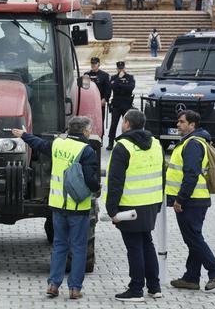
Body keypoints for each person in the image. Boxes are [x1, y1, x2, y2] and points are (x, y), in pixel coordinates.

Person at [12, 117, 99, 299]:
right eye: (89, 129)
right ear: (84, 131)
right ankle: (75, 289)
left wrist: (24, 135)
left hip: (58, 206)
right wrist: (97, 187)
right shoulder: (87, 150)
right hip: (78, 208)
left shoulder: (58, 144)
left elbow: (40, 144)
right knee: (78, 248)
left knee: (59, 245)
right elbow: (91, 180)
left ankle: (53, 285)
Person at [105, 109, 163, 302]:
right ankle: (155, 287)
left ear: (127, 124)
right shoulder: (156, 143)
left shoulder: (122, 146)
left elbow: (115, 181)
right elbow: (161, 174)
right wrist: (159, 203)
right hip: (151, 203)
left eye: (123, 121)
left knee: (134, 247)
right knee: (147, 243)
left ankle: (136, 288)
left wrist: (111, 209)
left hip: (130, 206)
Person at [165, 110, 215, 291]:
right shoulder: (193, 142)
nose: (178, 125)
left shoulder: (192, 144)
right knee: (194, 239)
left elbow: (191, 175)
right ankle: (191, 278)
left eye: (182, 122)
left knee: (193, 239)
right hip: (196, 200)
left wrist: (180, 199)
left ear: (192, 125)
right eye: (178, 121)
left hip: (191, 201)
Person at [108, 61, 136, 149]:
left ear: (124, 68)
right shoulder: (113, 77)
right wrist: (118, 80)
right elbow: (111, 87)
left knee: (128, 124)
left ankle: (129, 141)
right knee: (113, 124)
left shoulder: (130, 77)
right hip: (116, 105)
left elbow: (130, 88)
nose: (121, 70)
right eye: (119, 68)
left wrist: (119, 85)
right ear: (117, 69)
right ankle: (110, 143)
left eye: (122, 68)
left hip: (127, 104)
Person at [85, 57, 111, 129]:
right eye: (92, 63)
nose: (93, 65)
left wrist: (105, 99)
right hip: (89, 102)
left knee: (99, 121)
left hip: (100, 101)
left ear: (98, 64)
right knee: (88, 121)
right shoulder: (86, 74)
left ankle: (100, 137)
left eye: (95, 63)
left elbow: (108, 89)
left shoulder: (104, 75)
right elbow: (83, 88)